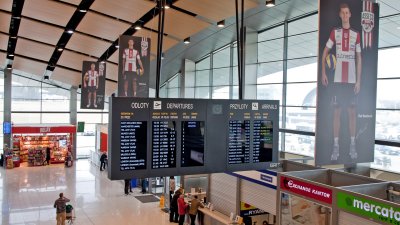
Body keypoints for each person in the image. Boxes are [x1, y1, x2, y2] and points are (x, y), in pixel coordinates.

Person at [321, 3, 362, 161]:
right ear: (340, 15)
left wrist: (358, 81)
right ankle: (336, 146)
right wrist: (324, 72)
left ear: (350, 14)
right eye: (342, 13)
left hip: (351, 82)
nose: (345, 15)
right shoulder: (335, 32)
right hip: (337, 82)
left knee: (352, 113)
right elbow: (325, 52)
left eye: (347, 13)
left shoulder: (356, 34)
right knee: (336, 113)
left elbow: (359, 58)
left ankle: (352, 145)